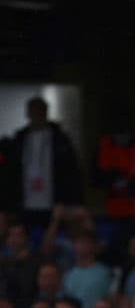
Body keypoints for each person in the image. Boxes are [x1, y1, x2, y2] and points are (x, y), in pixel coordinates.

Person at [6, 96, 82, 228]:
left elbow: (71, 172)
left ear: (46, 112)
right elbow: (11, 172)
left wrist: (69, 201)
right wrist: (11, 204)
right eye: (33, 111)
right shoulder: (20, 138)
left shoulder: (60, 139)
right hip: (25, 201)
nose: (36, 115)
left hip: (53, 202)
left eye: (40, 111)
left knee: (52, 240)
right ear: (28, 113)